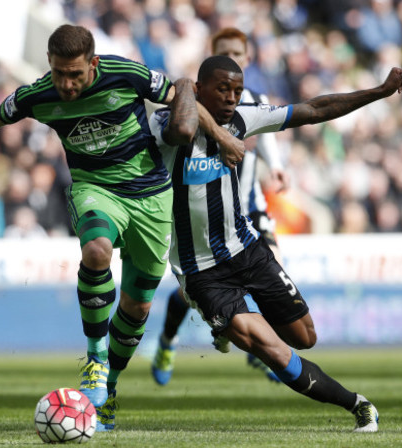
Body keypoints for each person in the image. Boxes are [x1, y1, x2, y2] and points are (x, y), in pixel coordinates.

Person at [0, 24, 237, 432]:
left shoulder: (126, 74)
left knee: (138, 306)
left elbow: (186, 97)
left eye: (75, 74)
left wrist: (221, 138)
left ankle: (109, 387)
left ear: (93, 63)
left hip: (151, 196)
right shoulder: (38, 95)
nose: (67, 84)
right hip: (95, 189)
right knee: (95, 252)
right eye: (59, 73)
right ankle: (95, 359)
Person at [149, 55, 402, 432]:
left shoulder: (244, 118)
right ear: (200, 87)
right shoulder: (166, 129)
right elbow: (182, 124)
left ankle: (231, 320)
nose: (230, 97)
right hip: (202, 272)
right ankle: (358, 404)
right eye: (221, 89)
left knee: (305, 337)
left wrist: (380, 91)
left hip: (248, 252)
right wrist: (183, 87)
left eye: (237, 90)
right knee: (271, 350)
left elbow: (314, 108)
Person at [152, 27, 287, 386]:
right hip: (203, 209)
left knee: (273, 261)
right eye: (227, 52)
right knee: (189, 290)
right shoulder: (198, 100)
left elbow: (270, 129)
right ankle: (168, 340)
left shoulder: (253, 97)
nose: (236, 60)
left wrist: (275, 164)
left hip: (246, 200)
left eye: (239, 54)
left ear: (247, 58)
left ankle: (265, 349)